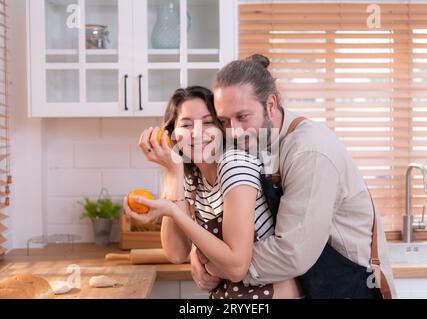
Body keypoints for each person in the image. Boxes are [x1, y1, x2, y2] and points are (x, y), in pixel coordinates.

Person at [190, 54, 397, 299]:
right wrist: (199, 251)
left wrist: (220, 265)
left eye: (242, 117)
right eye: (224, 120)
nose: (233, 131)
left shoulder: (309, 151)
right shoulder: (254, 143)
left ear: (270, 105)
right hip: (312, 285)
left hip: (350, 286)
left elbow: (293, 253)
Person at [123, 86, 301, 299]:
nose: (197, 133)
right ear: (172, 135)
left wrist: (173, 211)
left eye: (208, 122)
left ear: (222, 128)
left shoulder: (235, 164)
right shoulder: (194, 178)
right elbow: (176, 252)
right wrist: (173, 172)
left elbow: (237, 267)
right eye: (186, 124)